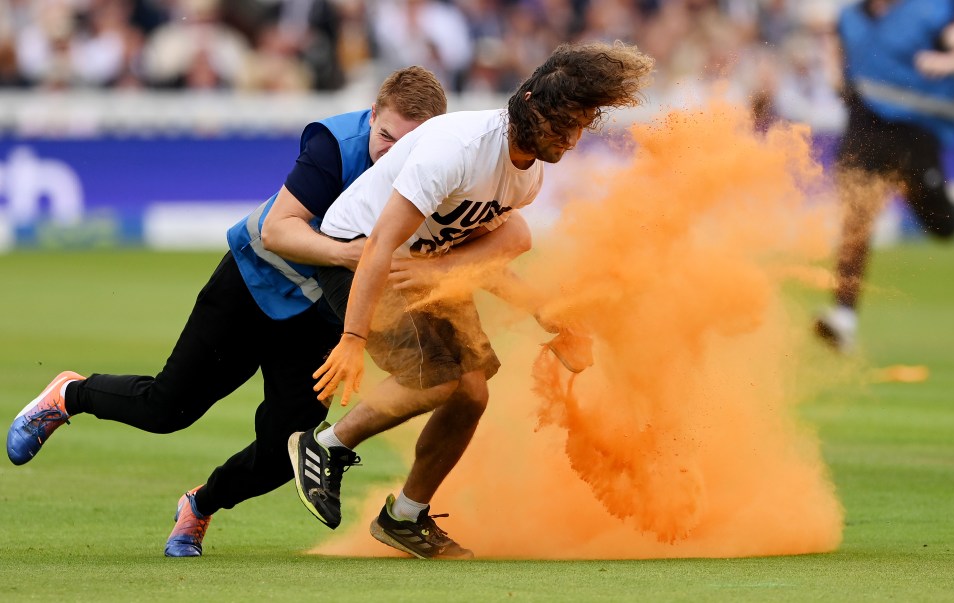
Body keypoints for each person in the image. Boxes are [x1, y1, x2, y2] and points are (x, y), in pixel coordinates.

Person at [5, 66, 448, 557]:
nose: (391, 152)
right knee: (166, 410)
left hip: (318, 318)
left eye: (406, 145)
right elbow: (280, 230)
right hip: (251, 284)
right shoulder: (333, 145)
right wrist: (356, 256)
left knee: (288, 454)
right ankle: (69, 395)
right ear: (372, 116)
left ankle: (200, 504)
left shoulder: (436, 173)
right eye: (385, 136)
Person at [287, 41, 654, 559]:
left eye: (580, 125)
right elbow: (378, 246)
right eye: (562, 123)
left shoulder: (527, 177)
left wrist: (551, 318)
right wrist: (352, 338)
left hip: (419, 263)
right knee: (440, 379)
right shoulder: (456, 150)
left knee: (472, 394)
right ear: (528, 101)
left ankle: (405, 516)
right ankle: (324, 446)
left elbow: (481, 258)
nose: (570, 138)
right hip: (361, 255)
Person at [815, 0, 954, 352]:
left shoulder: (931, 11)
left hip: (915, 133)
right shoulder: (849, 17)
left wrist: (948, 61)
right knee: (856, 218)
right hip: (866, 126)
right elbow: (834, 43)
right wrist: (834, 73)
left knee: (941, 224)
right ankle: (843, 316)